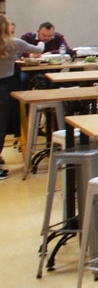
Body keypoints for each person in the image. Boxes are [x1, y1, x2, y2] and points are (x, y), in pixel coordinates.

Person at [1, 13, 42, 177]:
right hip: (6, 85)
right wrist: (39, 40)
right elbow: (38, 49)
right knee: (2, 124)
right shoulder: (13, 43)